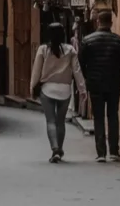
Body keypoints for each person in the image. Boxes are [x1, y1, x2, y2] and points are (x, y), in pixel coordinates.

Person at [78, 11, 120, 162]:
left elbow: (81, 64)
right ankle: (114, 151)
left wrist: (86, 79)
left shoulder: (87, 41)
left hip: (95, 84)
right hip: (114, 84)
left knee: (98, 117)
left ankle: (101, 153)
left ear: (97, 22)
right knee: (113, 116)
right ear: (111, 22)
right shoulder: (119, 41)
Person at [30, 21, 86, 163]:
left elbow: (36, 71)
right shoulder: (70, 50)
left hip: (47, 89)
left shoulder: (43, 50)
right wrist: (82, 89)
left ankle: (55, 149)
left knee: (50, 121)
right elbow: (77, 70)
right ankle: (59, 150)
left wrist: (32, 88)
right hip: (65, 90)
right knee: (60, 122)